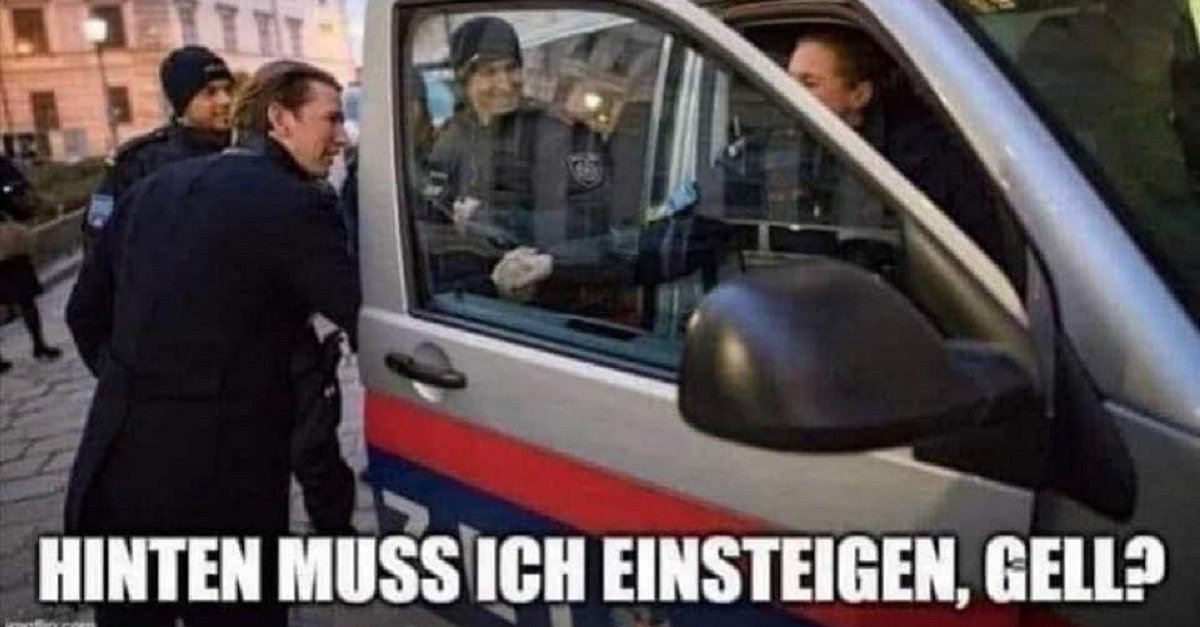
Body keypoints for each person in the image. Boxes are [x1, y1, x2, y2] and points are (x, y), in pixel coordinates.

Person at [64, 60, 359, 626]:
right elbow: (359, 311)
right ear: (281, 119)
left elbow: (83, 313)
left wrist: (145, 387)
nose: (342, 138)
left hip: (119, 468)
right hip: (224, 481)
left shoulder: (150, 189)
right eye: (331, 119)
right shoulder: (297, 204)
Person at [703, 27, 1011, 272]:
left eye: (809, 83)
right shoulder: (762, 157)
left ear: (859, 95)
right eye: (787, 81)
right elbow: (691, 231)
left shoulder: (924, 160)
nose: (788, 95)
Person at [423, 16, 625, 306]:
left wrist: (494, 220)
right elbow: (431, 221)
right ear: (463, 81)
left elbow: (592, 223)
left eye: (511, 68)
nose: (505, 84)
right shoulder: (451, 137)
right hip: (467, 302)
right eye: (489, 72)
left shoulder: (559, 134)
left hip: (546, 307)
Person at [84, 46, 233, 244]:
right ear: (182, 102)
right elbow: (97, 226)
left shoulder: (246, 149)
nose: (225, 100)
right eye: (210, 93)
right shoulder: (138, 163)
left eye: (228, 90)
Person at [0, 155, 61, 373]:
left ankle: (39, 344)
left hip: (9, 243)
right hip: (9, 241)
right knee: (23, 298)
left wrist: (12, 195)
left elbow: (21, 193)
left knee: (26, 297)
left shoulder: (2, 165)